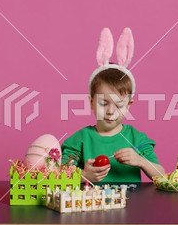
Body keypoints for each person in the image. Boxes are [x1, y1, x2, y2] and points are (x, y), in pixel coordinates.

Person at [61, 28, 165, 183]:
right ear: (91, 102)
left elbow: (163, 176)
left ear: (129, 105)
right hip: (90, 205)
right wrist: (83, 176)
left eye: (119, 105)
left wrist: (141, 161)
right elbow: (60, 175)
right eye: (103, 103)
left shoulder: (136, 139)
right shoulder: (80, 140)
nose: (110, 111)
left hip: (132, 206)